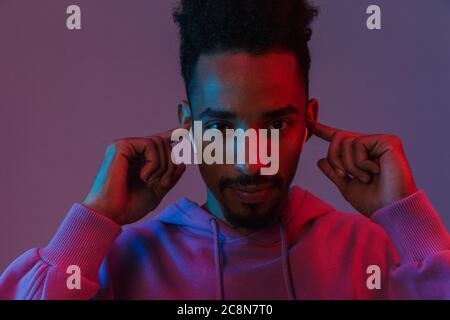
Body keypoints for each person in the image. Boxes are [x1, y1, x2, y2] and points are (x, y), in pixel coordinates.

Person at [1, 0, 449, 300]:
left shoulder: (373, 253)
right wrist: (94, 217)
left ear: (308, 122)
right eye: (219, 127)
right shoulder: (119, 262)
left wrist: (407, 218)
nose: (250, 161)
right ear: (188, 127)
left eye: (275, 125)